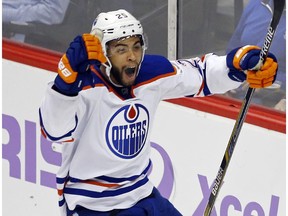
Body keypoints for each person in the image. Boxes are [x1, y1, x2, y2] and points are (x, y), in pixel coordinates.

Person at [39, 9, 278, 216]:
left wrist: (241, 62)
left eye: (136, 46)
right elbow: (54, 131)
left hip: (140, 194)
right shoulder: (84, 86)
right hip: (91, 204)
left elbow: (201, 73)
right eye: (121, 49)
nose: (132, 55)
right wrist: (65, 82)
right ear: (103, 53)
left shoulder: (150, 73)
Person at [226, 0, 286, 111]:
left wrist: (267, 78)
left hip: (272, 104)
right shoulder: (256, 4)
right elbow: (233, 49)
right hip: (235, 95)